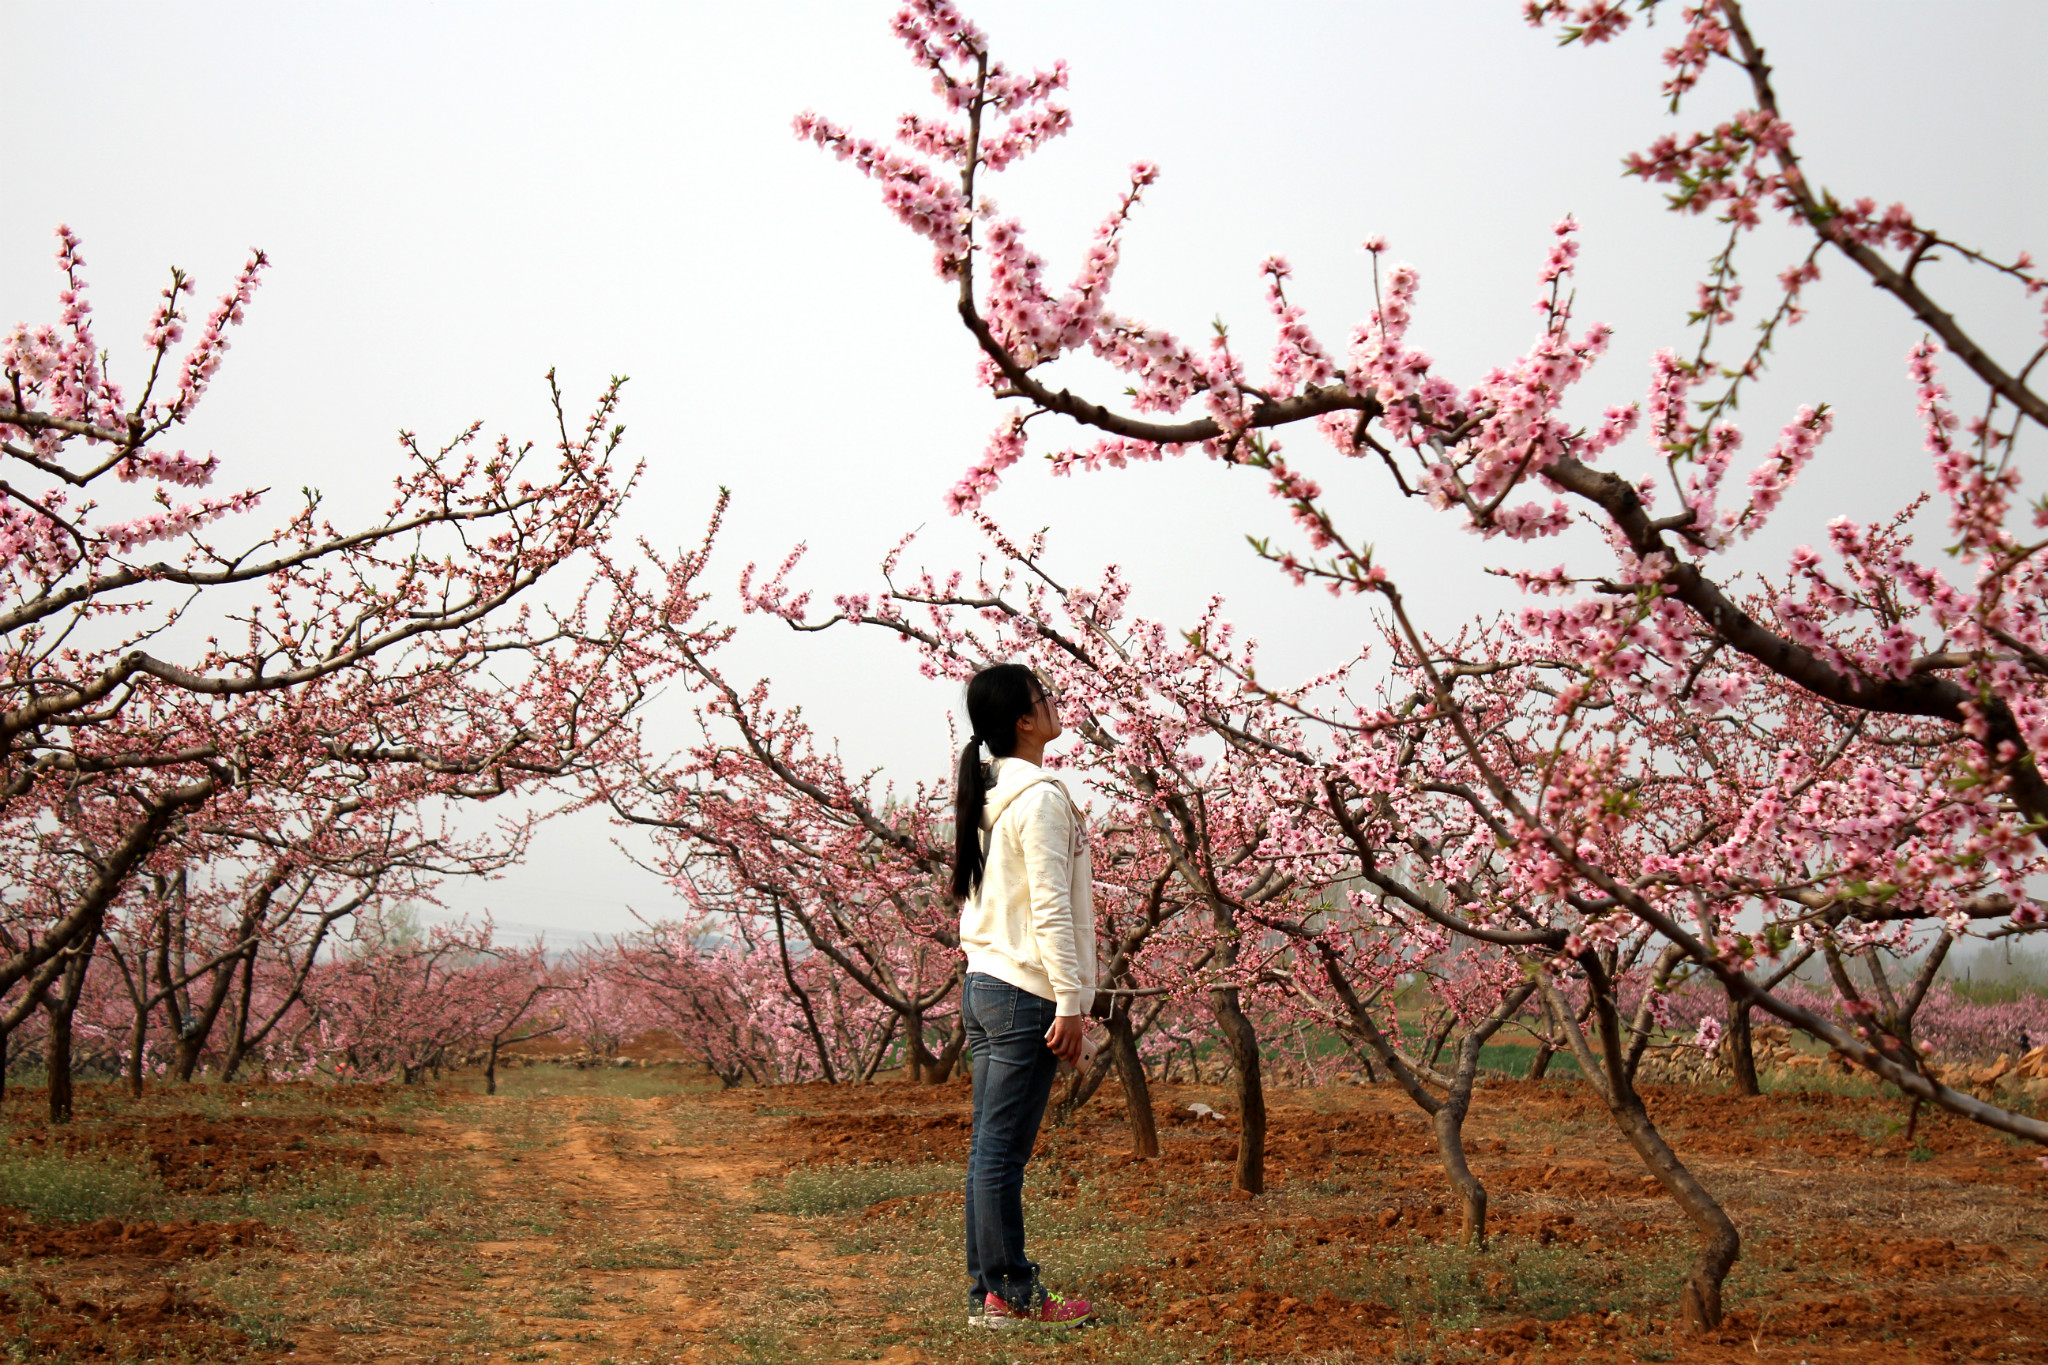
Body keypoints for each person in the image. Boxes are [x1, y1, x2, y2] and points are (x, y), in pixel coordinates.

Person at [953, 663, 1096, 1329]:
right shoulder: (1038, 797)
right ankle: (1007, 1295)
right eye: (1046, 695)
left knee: (990, 1146)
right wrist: (1071, 1001)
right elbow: (1050, 909)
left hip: (984, 983)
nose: (1056, 702)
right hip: (1022, 991)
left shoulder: (988, 797)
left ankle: (993, 1291)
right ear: (1023, 719)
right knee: (1001, 1150)